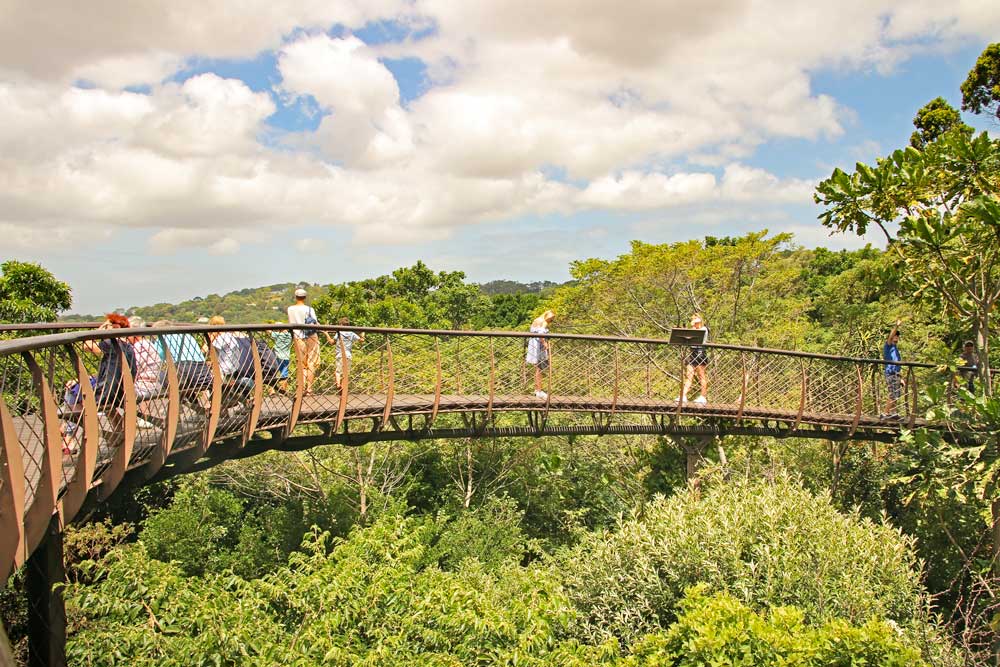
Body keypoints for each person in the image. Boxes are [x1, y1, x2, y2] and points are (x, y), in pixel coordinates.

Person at [82, 313, 136, 431]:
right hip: (123, 392)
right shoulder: (129, 348)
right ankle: (118, 430)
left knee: (73, 394)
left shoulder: (111, 344)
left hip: (109, 393)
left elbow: (86, 345)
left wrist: (100, 330)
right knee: (105, 399)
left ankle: (69, 434)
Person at [153, 320, 214, 407]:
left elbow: (157, 357)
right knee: (182, 380)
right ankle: (196, 408)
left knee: (162, 376)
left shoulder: (162, 338)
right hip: (203, 376)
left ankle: (179, 407)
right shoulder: (187, 335)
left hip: (184, 374)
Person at [287, 288, 321, 394]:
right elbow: (315, 323)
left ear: (295, 297)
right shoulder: (309, 309)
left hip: (298, 337)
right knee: (311, 362)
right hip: (311, 336)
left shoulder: (290, 309)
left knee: (301, 364)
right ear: (305, 297)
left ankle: (301, 388)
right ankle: (309, 388)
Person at [127, 316, 163, 401]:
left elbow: (134, 368)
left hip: (145, 387)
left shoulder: (140, 346)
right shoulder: (147, 343)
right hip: (151, 385)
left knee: (107, 393)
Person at [325, 317, 364, 390]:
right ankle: (343, 387)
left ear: (341, 325)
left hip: (340, 355)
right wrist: (363, 333)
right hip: (348, 355)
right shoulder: (352, 333)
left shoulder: (339, 333)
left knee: (338, 372)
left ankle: (338, 384)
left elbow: (331, 342)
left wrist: (326, 334)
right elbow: (361, 340)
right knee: (345, 373)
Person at [679, 314, 709, 404]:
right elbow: (688, 337)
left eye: (695, 319)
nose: (694, 321)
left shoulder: (703, 329)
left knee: (701, 376)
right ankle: (683, 396)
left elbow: (696, 334)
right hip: (692, 354)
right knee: (689, 376)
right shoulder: (694, 329)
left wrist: (693, 326)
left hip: (700, 353)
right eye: (693, 319)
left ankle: (703, 396)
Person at [526, 310, 555, 399]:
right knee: (540, 369)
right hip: (538, 346)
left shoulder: (537, 320)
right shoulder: (544, 322)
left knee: (538, 368)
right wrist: (545, 344)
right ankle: (539, 391)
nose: (551, 321)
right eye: (551, 319)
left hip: (533, 345)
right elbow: (541, 334)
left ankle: (537, 390)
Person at [881, 320, 902, 419]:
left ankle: (893, 413)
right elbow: (890, 336)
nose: (896, 337)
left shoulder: (896, 349)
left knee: (896, 394)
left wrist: (901, 377)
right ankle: (885, 413)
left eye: (897, 336)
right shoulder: (888, 346)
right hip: (890, 373)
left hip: (896, 373)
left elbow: (897, 363)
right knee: (892, 394)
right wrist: (896, 326)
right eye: (895, 336)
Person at [270, 321, 292, 393]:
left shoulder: (278, 335)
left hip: (277, 356)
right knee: (284, 373)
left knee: (273, 373)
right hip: (286, 356)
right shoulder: (289, 335)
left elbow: (268, 331)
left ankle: (272, 390)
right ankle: (284, 389)